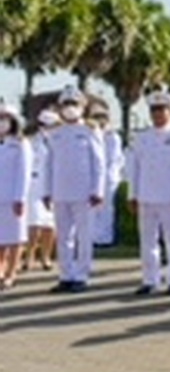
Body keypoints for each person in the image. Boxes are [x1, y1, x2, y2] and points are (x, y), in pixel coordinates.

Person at [44, 85, 105, 293]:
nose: (70, 108)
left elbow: (99, 163)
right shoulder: (56, 133)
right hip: (60, 192)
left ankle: (82, 275)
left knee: (84, 236)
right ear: (60, 107)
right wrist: (47, 191)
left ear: (83, 106)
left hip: (84, 193)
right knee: (63, 237)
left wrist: (98, 190)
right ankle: (65, 275)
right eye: (66, 104)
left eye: (74, 104)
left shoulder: (89, 130)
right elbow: (49, 164)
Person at [129, 92, 170, 295]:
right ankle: (150, 279)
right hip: (146, 196)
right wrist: (133, 194)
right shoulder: (141, 138)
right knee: (147, 242)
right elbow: (135, 168)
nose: (157, 114)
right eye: (153, 110)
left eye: (161, 109)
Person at [0, 103, 31, 291]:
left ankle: (11, 273)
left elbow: (24, 173)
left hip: (12, 198)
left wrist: (20, 198)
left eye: (5, 118)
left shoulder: (20, 144)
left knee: (14, 238)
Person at [23, 110, 59, 273]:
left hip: (52, 185)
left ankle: (46, 257)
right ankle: (29, 257)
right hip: (34, 184)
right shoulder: (30, 141)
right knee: (34, 224)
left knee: (50, 225)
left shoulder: (59, 141)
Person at [90, 102, 125, 247]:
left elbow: (114, 159)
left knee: (106, 209)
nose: (99, 120)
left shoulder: (112, 136)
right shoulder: (91, 134)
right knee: (92, 210)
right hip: (93, 177)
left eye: (102, 116)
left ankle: (105, 239)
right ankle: (93, 237)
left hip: (109, 177)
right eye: (96, 116)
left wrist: (107, 176)